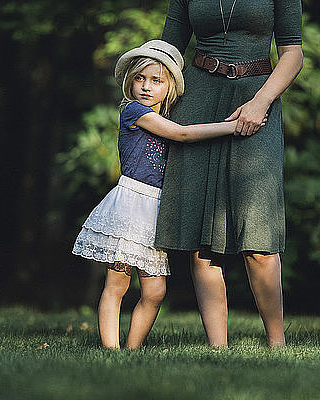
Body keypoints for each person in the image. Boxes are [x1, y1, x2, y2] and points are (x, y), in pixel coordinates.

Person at [72, 40, 264, 349]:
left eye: (156, 80)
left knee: (155, 292)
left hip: (155, 212)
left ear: (169, 87)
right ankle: (111, 350)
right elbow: (183, 134)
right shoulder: (134, 111)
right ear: (129, 83)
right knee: (117, 284)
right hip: (131, 206)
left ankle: (132, 350)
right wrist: (232, 127)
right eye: (139, 79)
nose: (146, 87)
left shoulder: (168, 114)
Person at [154, 0, 303, 347]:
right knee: (200, 234)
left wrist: (261, 101)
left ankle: (276, 344)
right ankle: (217, 348)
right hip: (195, 100)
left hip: (256, 97)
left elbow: (293, 54)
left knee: (258, 230)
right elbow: (167, 51)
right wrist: (142, 101)